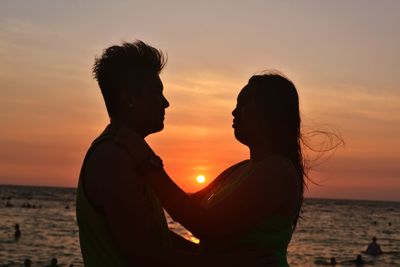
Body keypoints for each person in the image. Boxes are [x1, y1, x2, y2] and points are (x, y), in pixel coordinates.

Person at [76, 40, 273, 266]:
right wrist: (229, 263)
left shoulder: (127, 154)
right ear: (129, 99)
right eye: (156, 93)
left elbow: (154, 239)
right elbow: (144, 255)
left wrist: (215, 257)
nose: (166, 103)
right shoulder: (113, 159)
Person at [126, 73, 307, 266]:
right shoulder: (241, 169)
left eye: (244, 103)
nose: (234, 112)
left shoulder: (277, 172)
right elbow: (186, 206)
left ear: (270, 111)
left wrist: (148, 162)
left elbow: (205, 224)